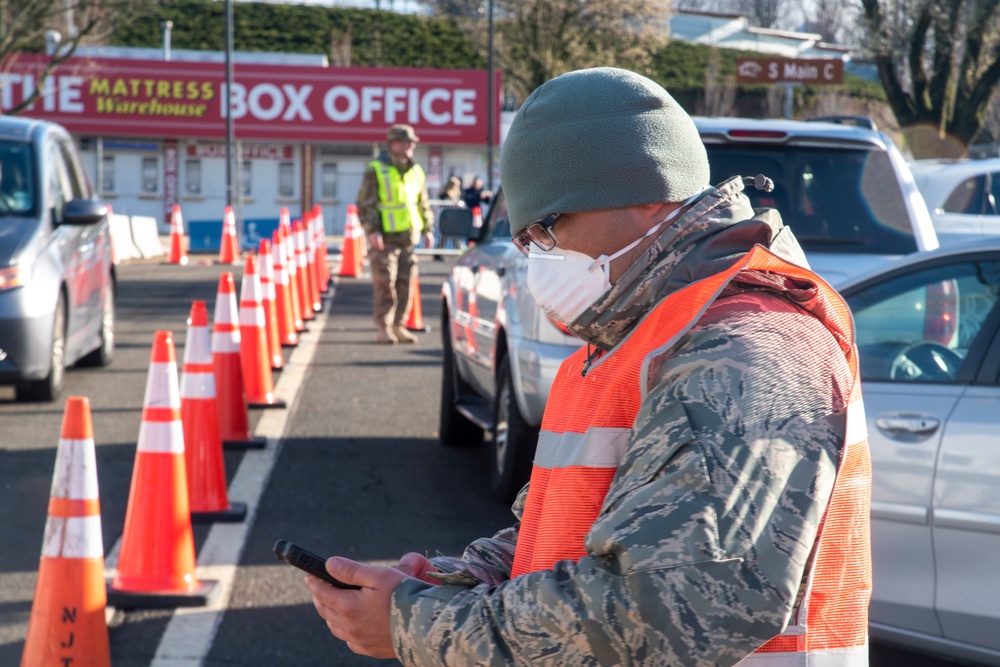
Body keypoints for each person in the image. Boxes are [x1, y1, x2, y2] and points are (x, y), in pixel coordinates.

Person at [307, 67, 872, 666]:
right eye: (522, 240)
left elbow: (665, 610)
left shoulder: (744, 349)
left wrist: (415, 623)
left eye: (544, 231)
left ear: (648, 193)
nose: (533, 258)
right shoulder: (637, 335)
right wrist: (455, 580)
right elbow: (575, 528)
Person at [356, 124, 434, 344]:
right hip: (385, 240)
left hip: (408, 239)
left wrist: (428, 229)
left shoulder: (416, 171)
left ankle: (399, 325)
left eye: (413, 142)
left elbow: (422, 203)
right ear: (394, 143)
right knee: (385, 284)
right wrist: (372, 231)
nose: (412, 146)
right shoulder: (376, 169)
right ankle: (384, 328)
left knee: (405, 284)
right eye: (407, 142)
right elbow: (365, 204)